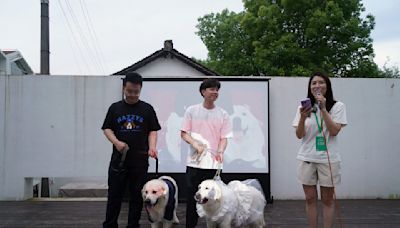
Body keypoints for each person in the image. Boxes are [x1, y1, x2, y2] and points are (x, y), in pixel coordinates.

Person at [102, 72, 161, 228]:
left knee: (137, 196)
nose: (133, 95)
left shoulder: (147, 109)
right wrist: (116, 142)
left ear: (140, 89)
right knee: (114, 196)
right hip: (118, 161)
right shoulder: (115, 108)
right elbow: (107, 128)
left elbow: (153, 130)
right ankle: (109, 224)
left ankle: (133, 225)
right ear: (124, 88)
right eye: (129, 91)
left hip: (140, 161)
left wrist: (152, 147)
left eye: (136, 92)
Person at [292, 72, 347, 228]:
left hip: (328, 159)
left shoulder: (338, 106)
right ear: (310, 88)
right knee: (310, 198)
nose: (317, 86)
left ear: (327, 86)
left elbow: (334, 130)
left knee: (327, 199)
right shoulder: (303, 107)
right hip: (307, 157)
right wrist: (303, 117)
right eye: (314, 83)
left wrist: (323, 109)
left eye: (321, 82)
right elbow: (299, 135)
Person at [180, 78, 233, 228]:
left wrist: (221, 150)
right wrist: (195, 144)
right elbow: (184, 133)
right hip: (194, 163)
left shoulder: (223, 114)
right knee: (193, 199)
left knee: (214, 199)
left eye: (217, 89)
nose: (215, 92)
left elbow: (224, 137)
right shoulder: (191, 110)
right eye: (211, 89)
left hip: (213, 163)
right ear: (203, 92)